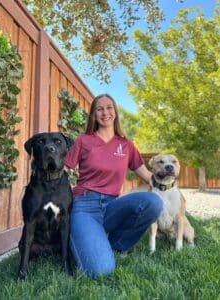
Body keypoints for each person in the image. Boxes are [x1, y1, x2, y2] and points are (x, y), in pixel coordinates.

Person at [64, 94, 163, 278]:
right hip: (85, 206)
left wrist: (167, 184)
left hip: (113, 206)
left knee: (153, 202)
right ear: (94, 114)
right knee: (100, 270)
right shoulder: (83, 140)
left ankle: (117, 245)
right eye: (99, 109)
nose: (105, 112)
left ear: (115, 112)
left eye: (109, 107)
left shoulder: (125, 144)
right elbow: (62, 169)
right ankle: (86, 237)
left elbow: (146, 174)